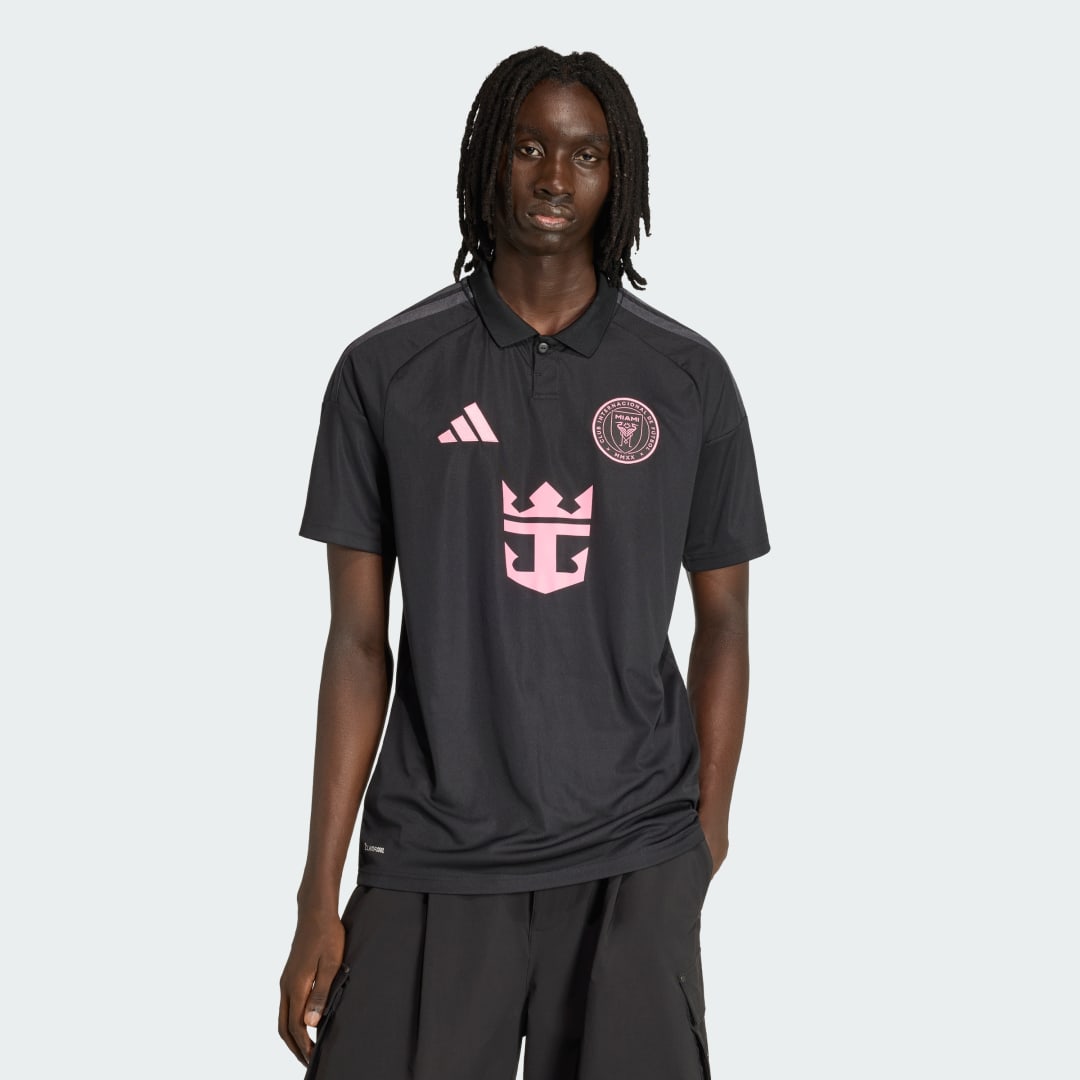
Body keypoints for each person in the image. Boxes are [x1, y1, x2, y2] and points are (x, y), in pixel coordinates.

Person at [279, 45, 770, 1080]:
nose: (556, 177)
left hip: (634, 850)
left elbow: (724, 619)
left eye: (586, 154)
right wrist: (318, 890)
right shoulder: (386, 372)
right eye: (530, 147)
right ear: (487, 161)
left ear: (619, 174)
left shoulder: (686, 378)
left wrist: (707, 834)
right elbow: (357, 643)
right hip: (433, 846)